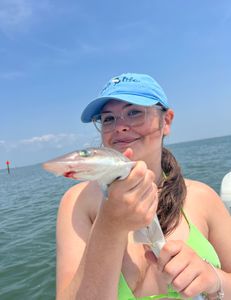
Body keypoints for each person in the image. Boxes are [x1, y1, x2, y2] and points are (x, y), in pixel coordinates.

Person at [56, 73, 231, 300]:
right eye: (108, 119)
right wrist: (109, 226)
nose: (120, 127)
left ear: (166, 121)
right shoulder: (79, 202)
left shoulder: (202, 197)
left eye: (134, 112)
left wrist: (214, 279)